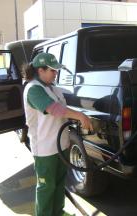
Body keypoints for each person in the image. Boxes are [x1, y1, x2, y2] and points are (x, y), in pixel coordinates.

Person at [22, 53, 93, 216]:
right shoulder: (33, 89)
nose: (56, 74)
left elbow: (65, 109)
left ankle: (58, 212)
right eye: (53, 71)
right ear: (41, 70)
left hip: (61, 145)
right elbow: (54, 109)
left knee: (60, 183)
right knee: (47, 186)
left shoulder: (52, 87)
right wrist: (80, 116)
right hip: (45, 149)